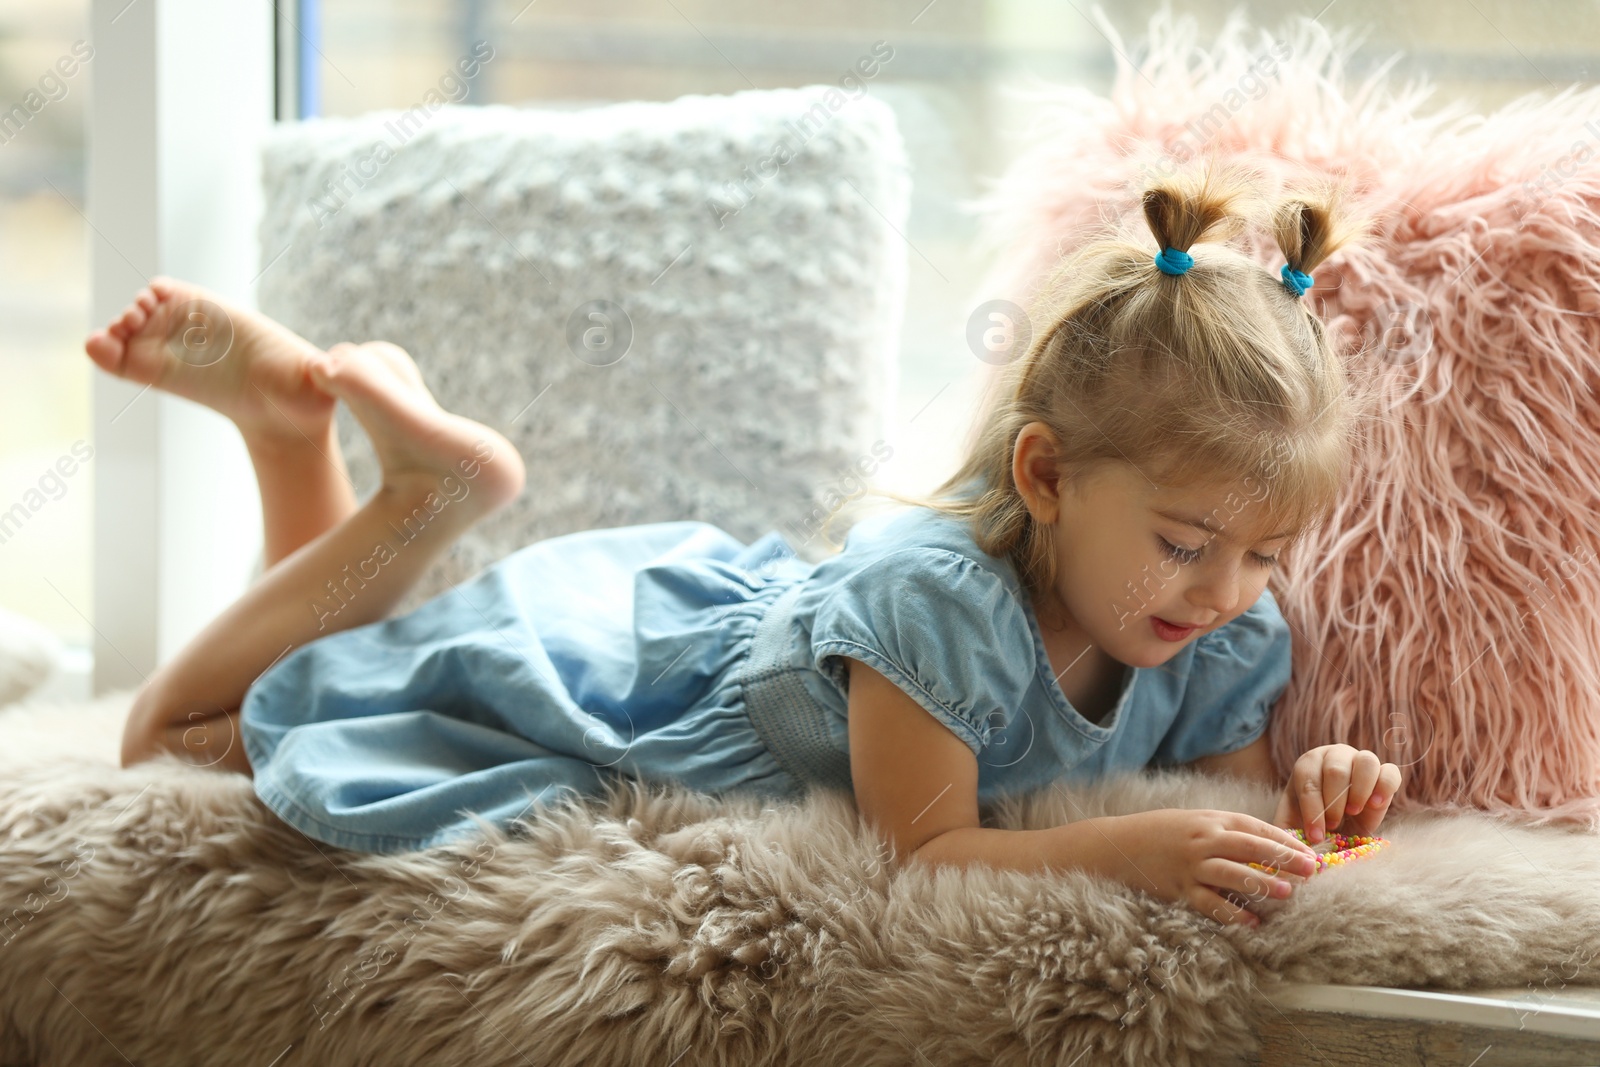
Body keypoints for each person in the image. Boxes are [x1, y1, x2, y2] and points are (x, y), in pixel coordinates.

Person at [86, 159, 1399, 928]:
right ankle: (413, 501)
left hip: (705, 627)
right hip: (629, 659)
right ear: (1045, 475)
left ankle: (287, 430)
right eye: (1184, 542)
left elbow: (1229, 804)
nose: (1226, 591)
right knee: (180, 739)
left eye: (1267, 556)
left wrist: (1308, 790)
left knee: (334, 673)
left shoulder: (1225, 633)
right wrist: (1132, 851)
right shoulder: (934, 612)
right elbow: (919, 855)